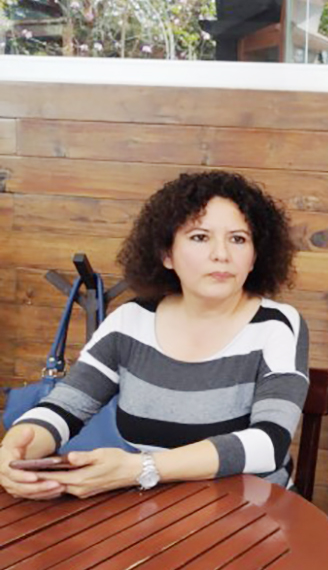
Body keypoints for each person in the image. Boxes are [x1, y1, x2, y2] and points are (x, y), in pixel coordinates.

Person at [0, 171, 308, 499]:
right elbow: (64, 407)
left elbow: (269, 443)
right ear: (166, 254)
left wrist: (141, 468)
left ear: (255, 256)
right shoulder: (131, 321)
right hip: (150, 510)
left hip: (252, 511)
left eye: (238, 239)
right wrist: (15, 449)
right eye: (200, 237)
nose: (222, 254)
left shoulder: (277, 325)